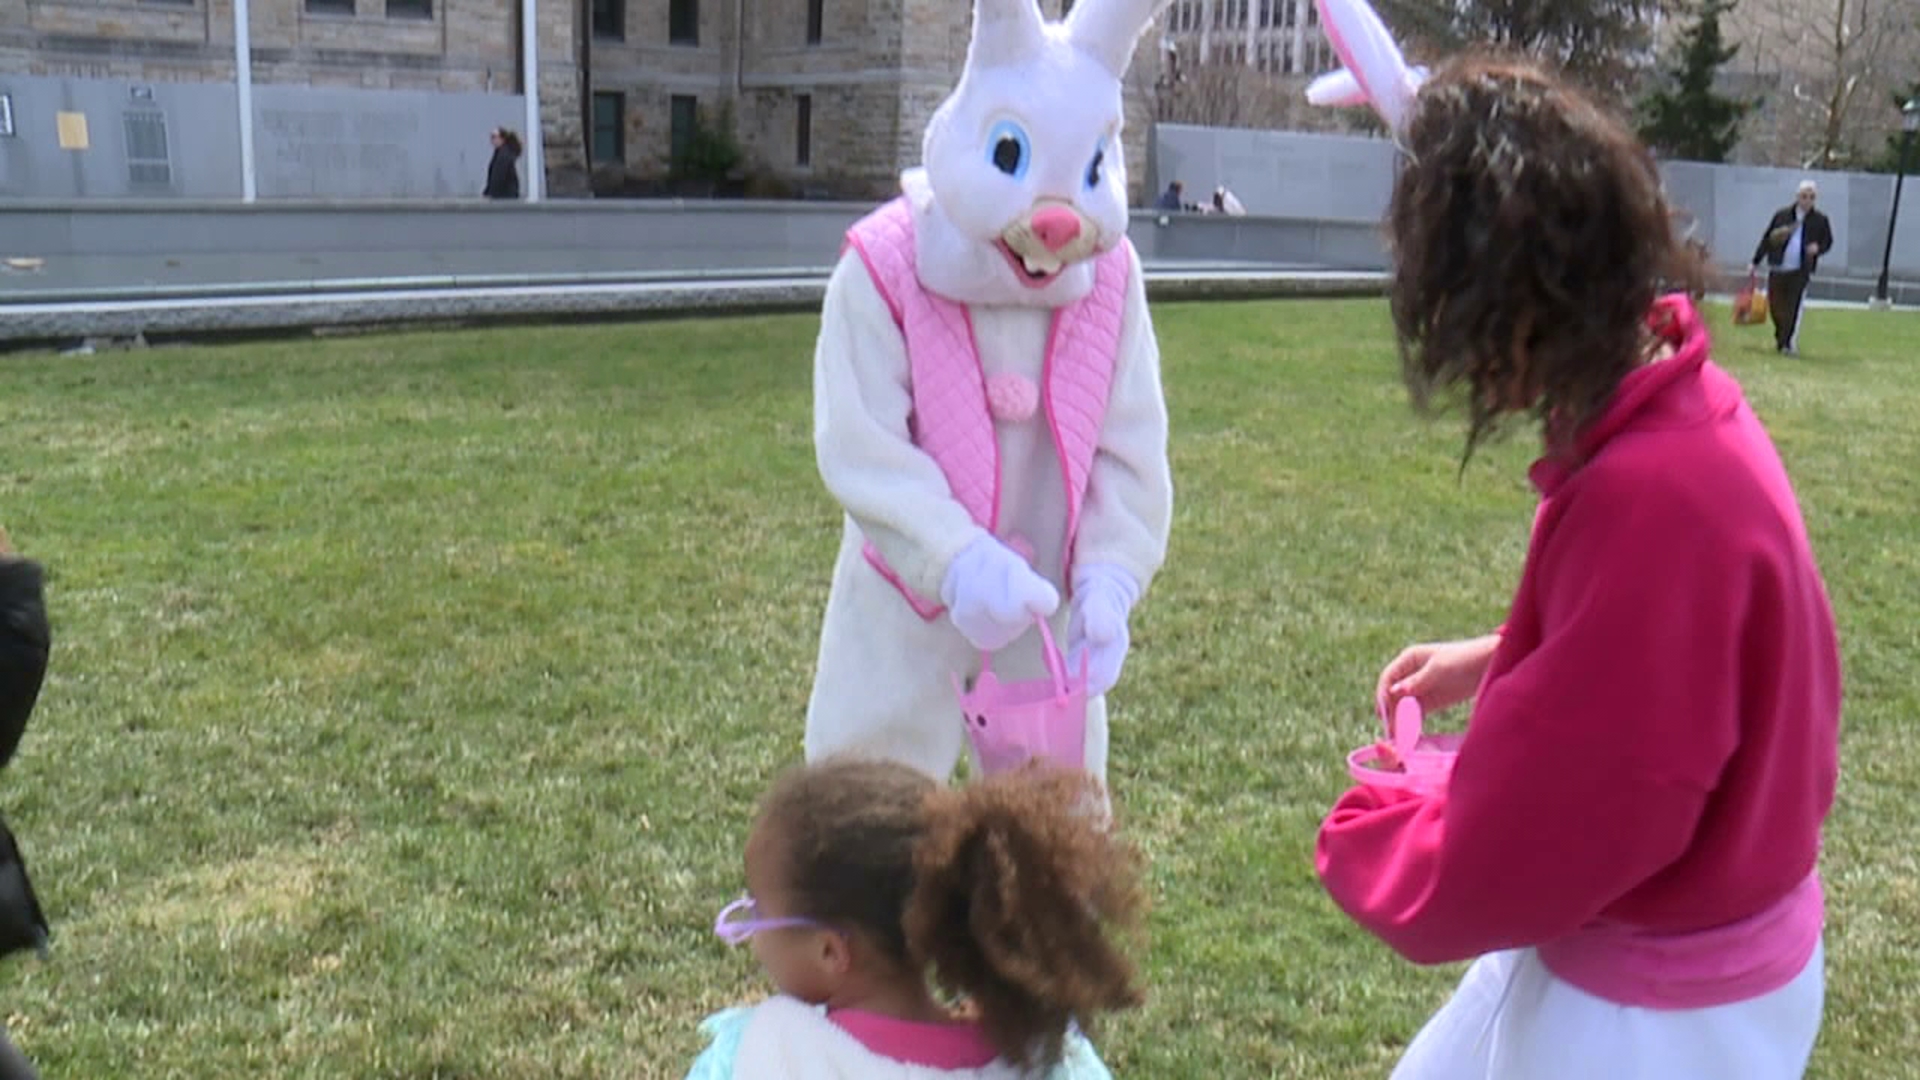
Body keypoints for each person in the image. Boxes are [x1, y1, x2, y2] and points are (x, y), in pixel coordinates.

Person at [1311, 51, 1841, 1080]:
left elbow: (1545, 838)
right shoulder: (1684, 408)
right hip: (1696, 942)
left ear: (1518, 301)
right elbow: (1684, 657)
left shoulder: (1650, 496)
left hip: (1657, 1018)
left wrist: (1369, 832)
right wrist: (1502, 653)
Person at [686, 758, 1143, 1078]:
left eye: (756, 914)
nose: (750, 934)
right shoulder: (1047, 1059)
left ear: (830, 951)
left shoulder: (761, 1055)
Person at [1749, 180, 1834, 355]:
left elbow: (1828, 241)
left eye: (1811, 197)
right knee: (1775, 305)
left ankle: (1785, 343)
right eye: (1804, 196)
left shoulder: (1820, 220)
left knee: (1792, 307)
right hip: (1778, 267)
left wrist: (1817, 248)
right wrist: (1755, 261)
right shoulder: (1782, 215)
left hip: (1800, 271)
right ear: (1797, 197)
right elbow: (1767, 239)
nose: (1807, 200)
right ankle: (1782, 336)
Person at [483, 128, 522, 200]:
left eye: (494, 136)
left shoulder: (504, 155)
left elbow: (498, 176)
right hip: (504, 195)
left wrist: (490, 192)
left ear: (502, 139)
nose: (492, 140)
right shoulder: (500, 153)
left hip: (505, 196)